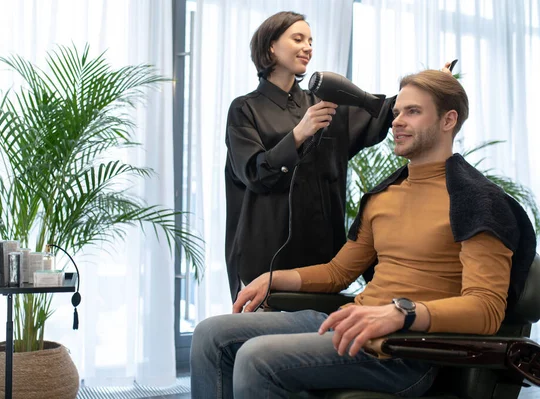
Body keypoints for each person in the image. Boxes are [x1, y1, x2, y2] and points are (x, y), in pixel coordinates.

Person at [192, 69, 537, 398]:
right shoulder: (384, 196)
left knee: (257, 357)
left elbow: (486, 309)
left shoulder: (479, 202)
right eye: (398, 111)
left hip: (403, 350)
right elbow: (338, 272)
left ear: (448, 120)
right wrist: (272, 279)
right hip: (353, 324)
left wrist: (403, 312)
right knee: (211, 334)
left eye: (413, 112)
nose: (397, 121)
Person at [224, 11, 451, 301]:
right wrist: (299, 134)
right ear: (270, 46)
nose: (308, 47)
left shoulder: (326, 104)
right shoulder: (245, 109)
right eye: (298, 39)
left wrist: (431, 90)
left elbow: (379, 113)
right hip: (265, 257)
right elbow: (255, 173)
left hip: (323, 260)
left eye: (310, 40)